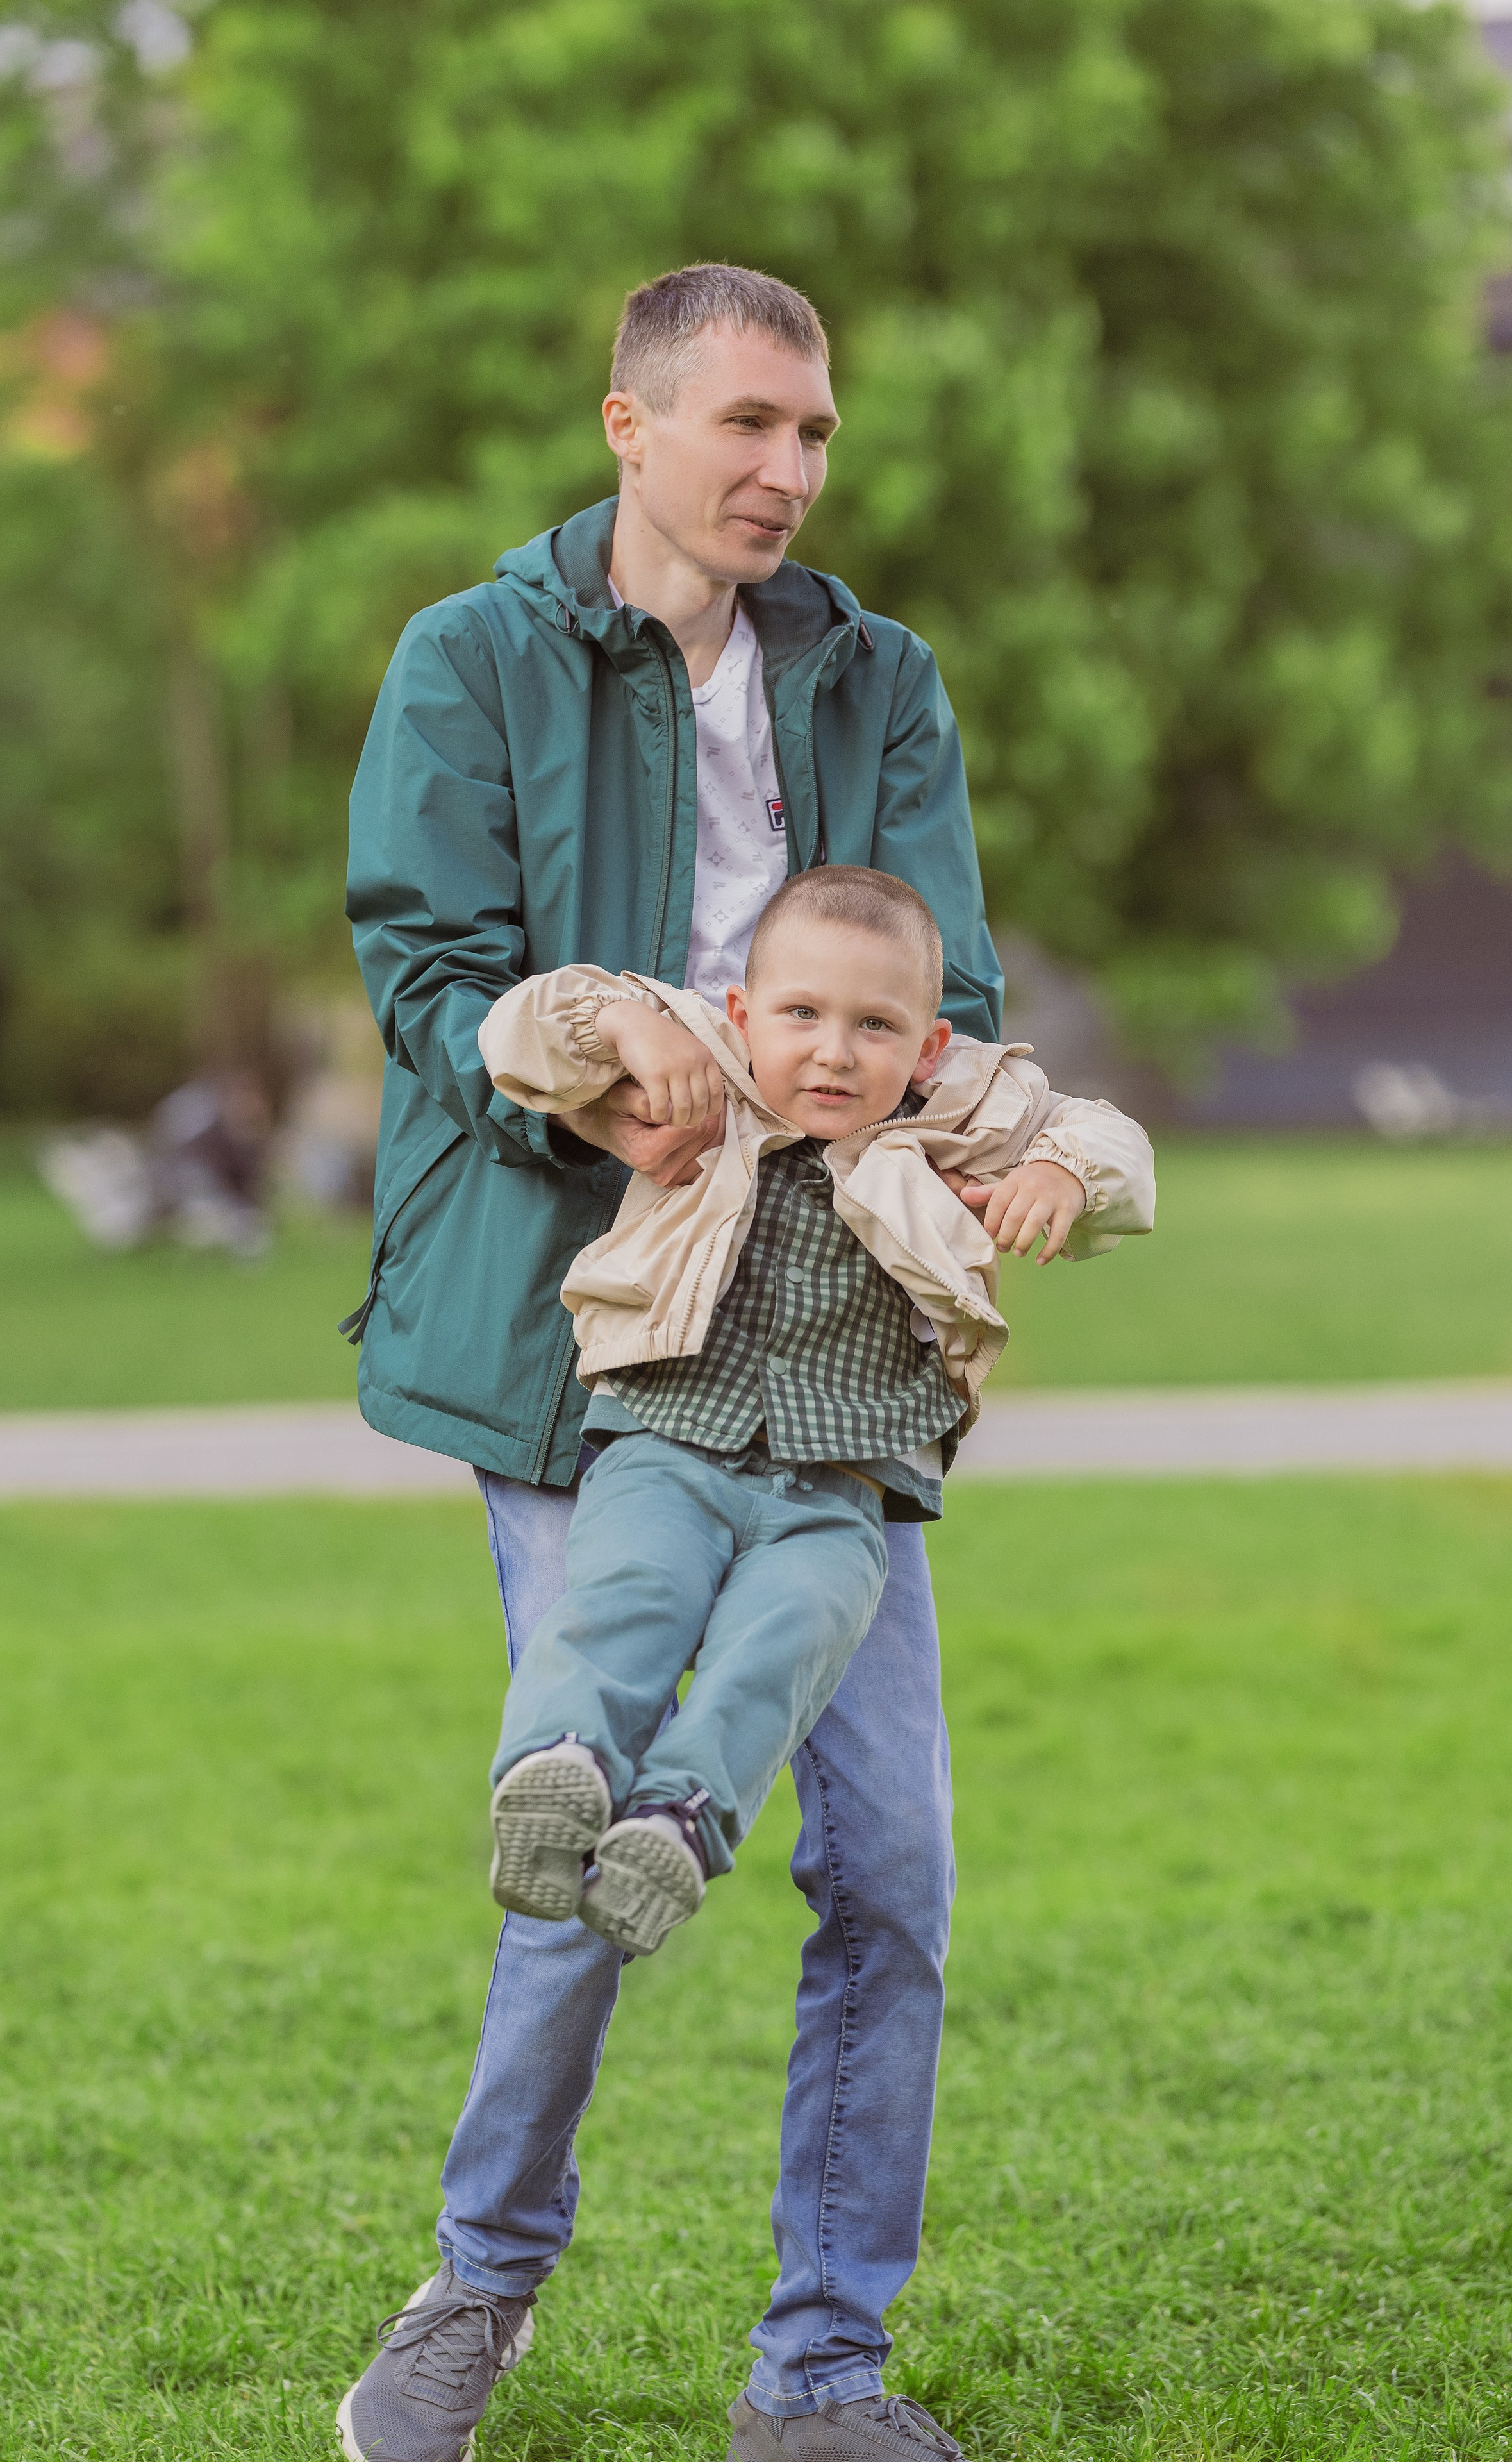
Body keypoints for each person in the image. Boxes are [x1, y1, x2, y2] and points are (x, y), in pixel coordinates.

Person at [340, 260, 1012, 2462]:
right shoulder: (475, 658)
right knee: (580, 1832)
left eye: (814, 435)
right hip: (590, 1341)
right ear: (629, 428)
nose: (788, 471)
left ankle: (820, 2372)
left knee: (892, 1871)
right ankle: (480, 2290)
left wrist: (999, 1138)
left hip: (836, 1360)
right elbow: (429, 979)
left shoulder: (877, 677)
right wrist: (586, 1084)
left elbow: (955, 990)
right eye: (747, 426)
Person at [478, 867, 1152, 1961]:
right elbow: (521, 1035)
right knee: (627, 1600)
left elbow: (1117, 1141)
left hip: (841, 1489)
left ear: (929, 1047)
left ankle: (677, 1824)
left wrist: (1067, 1176)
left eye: (874, 1025)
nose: (834, 1052)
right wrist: (628, 1022)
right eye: (801, 1015)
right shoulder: (704, 1055)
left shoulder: (965, 1107)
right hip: (667, 1441)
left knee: (781, 1649)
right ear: (746, 1014)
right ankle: (561, 1766)